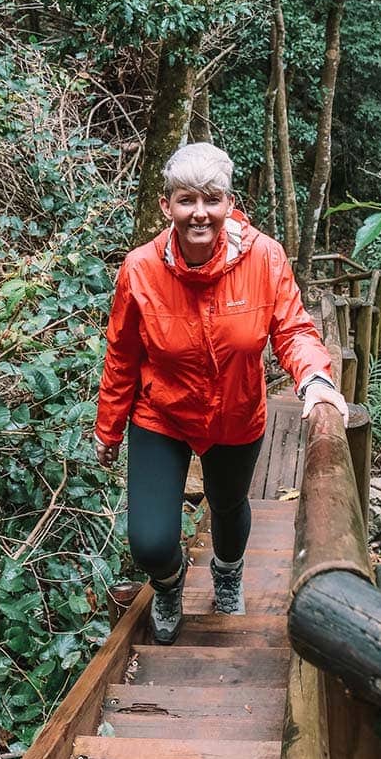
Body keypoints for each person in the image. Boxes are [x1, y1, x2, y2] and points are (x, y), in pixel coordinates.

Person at [93, 142, 348, 644]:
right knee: (148, 540)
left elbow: (293, 329)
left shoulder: (265, 257)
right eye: (187, 200)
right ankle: (168, 584)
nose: (200, 213)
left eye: (212, 199)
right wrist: (110, 427)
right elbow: (122, 354)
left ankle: (227, 574)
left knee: (227, 506)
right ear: (167, 207)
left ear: (230, 203)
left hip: (236, 414)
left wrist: (315, 379)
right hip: (162, 412)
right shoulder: (140, 269)